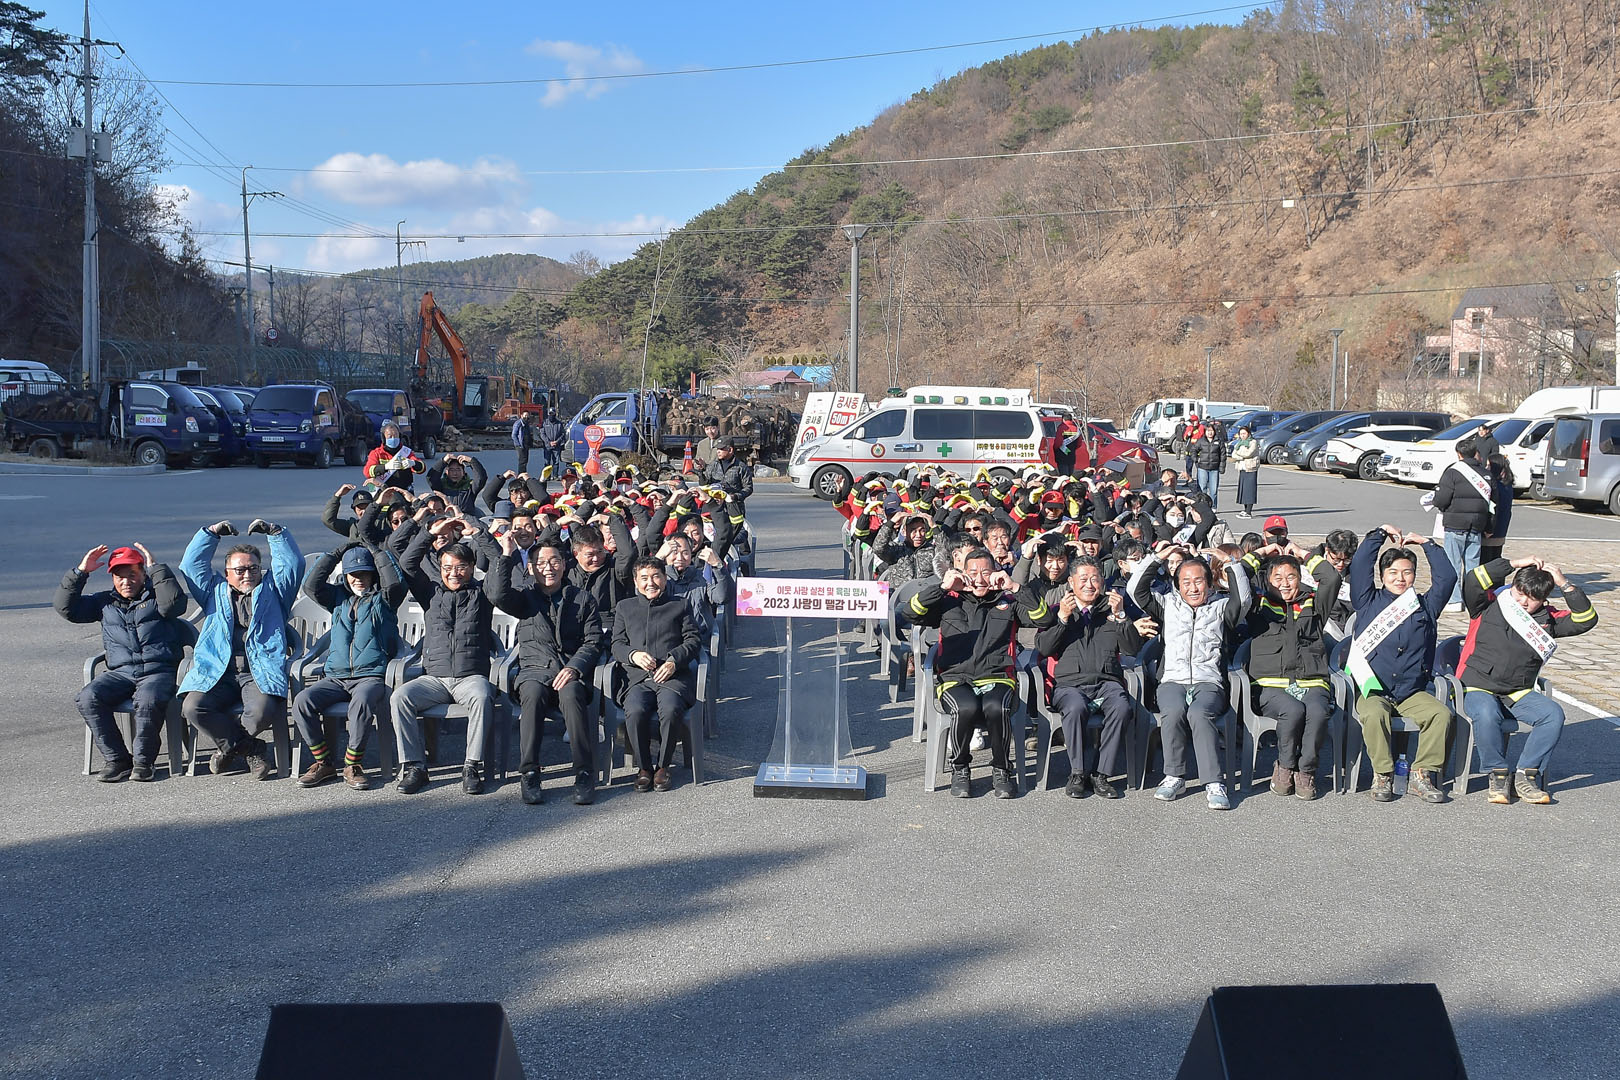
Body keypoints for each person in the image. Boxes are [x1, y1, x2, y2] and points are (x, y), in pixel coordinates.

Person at [907, 547, 1057, 799]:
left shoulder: (1007, 601)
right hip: (955, 678)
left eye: (985, 572)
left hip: (997, 676)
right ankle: (960, 768)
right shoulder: (949, 600)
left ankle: (1001, 769)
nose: (979, 579)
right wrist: (942, 588)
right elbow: (911, 613)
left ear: (995, 572)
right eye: (973, 572)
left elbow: (1044, 620)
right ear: (963, 573)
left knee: (996, 707)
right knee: (965, 707)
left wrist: (1015, 587)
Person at [1458, 556, 1596, 803]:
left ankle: (1526, 774)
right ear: (1512, 587)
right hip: (1478, 684)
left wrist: (1564, 584)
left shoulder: (1548, 618)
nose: (1523, 602)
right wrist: (1513, 564)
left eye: (1532, 599)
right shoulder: (1488, 604)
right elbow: (1474, 579)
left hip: (1518, 690)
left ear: (1543, 599)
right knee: (1487, 713)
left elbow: (1586, 619)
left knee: (1553, 714)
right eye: (1519, 594)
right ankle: (1498, 773)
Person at [178, 519, 303, 780]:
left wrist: (275, 533)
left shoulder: (275, 591)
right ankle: (252, 749)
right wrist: (210, 534)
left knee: (260, 713)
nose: (247, 574)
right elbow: (191, 566)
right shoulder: (213, 591)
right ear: (227, 573)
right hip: (217, 671)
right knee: (193, 707)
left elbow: (293, 564)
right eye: (240, 570)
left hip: (258, 671)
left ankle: (227, 748)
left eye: (253, 568)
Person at [1128, 545, 1252, 810]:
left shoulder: (1220, 608)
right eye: (1186, 582)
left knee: (1199, 713)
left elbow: (1243, 600)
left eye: (1198, 581)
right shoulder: (1167, 605)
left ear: (1209, 583)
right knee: (1173, 711)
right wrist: (1157, 558)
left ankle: (1214, 782)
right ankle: (1174, 776)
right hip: (1173, 680)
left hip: (1209, 682)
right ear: (1177, 585)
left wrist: (1230, 563)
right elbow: (1135, 590)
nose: (1193, 588)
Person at [488, 536, 606, 806]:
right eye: (541, 563)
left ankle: (584, 772)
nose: (548, 568)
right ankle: (529, 772)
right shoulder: (524, 598)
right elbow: (496, 595)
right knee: (532, 694)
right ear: (531, 568)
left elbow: (593, 641)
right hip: (534, 670)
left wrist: (575, 667)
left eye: (554, 561)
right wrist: (506, 556)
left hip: (569, 671)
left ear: (564, 564)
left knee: (572, 695)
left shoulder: (582, 599)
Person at [56, 543, 188, 782]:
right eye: (120, 577)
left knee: (147, 700)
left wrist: (156, 568)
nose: (126, 582)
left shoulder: (158, 598)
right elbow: (67, 609)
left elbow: (175, 604)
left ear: (143, 574)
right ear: (113, 579)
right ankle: (117, 760)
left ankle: (143, 762)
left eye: (132, 575)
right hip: (121, 673)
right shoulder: (103, 602)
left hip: (158, 672)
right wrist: (80, 573)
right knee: (88, 697)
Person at [1346, 524, 1457, 804]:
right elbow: (1359, 565)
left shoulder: (1426, 605)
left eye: (1407, 572)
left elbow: (1447, 577)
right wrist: (1378, 534)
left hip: (1410, 691)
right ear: (1382, 575)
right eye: (1393, 572)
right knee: (1374, 714)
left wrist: (1427, 544)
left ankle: (1422, 774)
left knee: (1440, 714)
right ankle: (1382, 774)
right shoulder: (1367, 600)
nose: (1400, 578)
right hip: (1373, 690)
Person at [391, 524, 503, 795]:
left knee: (481, 697)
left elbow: (500, 562)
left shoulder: (483, 594)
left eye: (461, 567)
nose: (454, 573)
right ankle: (415, 766)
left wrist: (478, 533)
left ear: (472, 567)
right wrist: (430, 532)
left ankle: (471, 766)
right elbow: (407, 563)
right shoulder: (429, 593)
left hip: (470, 677)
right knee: (400, 697)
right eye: (447, 567)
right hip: (435, 679)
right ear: (440, 568)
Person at [290, 541, 406, 790]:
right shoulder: (336, 598)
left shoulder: (385, 599)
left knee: (361, 702)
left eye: (364, 573)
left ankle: (353, 764)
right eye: (353, 574)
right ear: (345, 576)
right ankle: (323, 763)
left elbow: (395, 582)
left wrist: (377, 552)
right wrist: (334, 554)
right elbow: (310, 585)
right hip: (335, 677)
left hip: (370, 676)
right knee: (302, 701)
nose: (359, 579)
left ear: (373, 574)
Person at [1035, 556, 1150, 799]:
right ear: (1071, 582)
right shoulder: (1057, 610)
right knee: (1075, 707)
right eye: (1083, 579)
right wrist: (1062, 619)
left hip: (1107, 682)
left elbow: (1131, 649)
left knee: (1121, 707)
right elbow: (1043, 648)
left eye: (1095, 579)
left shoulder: (1112, 610)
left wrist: (1121, 617)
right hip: (1069, 685)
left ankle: (1101, 774)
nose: (1089, 584)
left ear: (1102, 582)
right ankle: (1077, 773)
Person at [1245, 554, 1335, 800]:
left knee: (1317, 712)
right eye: (1278, 577)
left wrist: (1304, 555)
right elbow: (1239, 578)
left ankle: (1306, 770)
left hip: (1311, 681)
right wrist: (1261, 554)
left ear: (1300, 577)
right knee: (1292, 710)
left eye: (1291, 577)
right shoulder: (1258, 604)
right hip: (1270, 684)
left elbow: (1331, 578)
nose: (1284, 583)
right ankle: (1285, 766)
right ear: (1268, 579)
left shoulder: (1313, 604)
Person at [611, 557, 704, 792]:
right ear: (635, 582)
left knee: (671, 709)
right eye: (644, 578)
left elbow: (693, 640)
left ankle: (663, 766)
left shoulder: (679, 605)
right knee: (635, 711)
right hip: (637, 679)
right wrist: (633, 655)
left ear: (664, 578)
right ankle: (644, 768)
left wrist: (673, 661)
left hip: (672, 677)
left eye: (656, 576)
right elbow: (617, 645)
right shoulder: (625, 607)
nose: (650, 583)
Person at [1431, 436, 1493, 613]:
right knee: (1473, 565)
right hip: (1477, 525)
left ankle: (1454, 600)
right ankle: (1473, 599)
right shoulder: (1486, 474)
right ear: (1475, 453)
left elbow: (1442, 499)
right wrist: (1489, 527)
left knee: (1453, 562)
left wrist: (1440, 506)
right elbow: (1493, 504)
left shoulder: (1452, 472)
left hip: (1455, 523)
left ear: (1459, 454)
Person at [362, 421, 426, 492]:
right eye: (390, 436)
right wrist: (385, 467)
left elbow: (422, 468)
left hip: (405, 492)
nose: (393, 438)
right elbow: (367, 472)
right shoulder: (376, 453)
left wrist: (413, 463)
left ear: (400, 436)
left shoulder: (406, 452)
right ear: (384, 437)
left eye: (396, 435)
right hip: (384, 492)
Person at [702, 436, 754, 508]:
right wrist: (701, 473)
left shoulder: (741, 467)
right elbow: (705, 484)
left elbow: (748, 488)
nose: (718, 451)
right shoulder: (713, 465)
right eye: (717, 449)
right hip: (715, 507)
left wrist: (735, 496)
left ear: (730, 450)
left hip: (734, 507)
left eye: (721, 449)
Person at [1192, 420, 1225, 506]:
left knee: (1213, 490)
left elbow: (1223, 455)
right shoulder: (1201, 441)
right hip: (1202, 468)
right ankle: (1204, 506)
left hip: (1214, 468)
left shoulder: (1219, 441)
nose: (1210, 433)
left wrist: (1222, 467)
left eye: (1211, 431)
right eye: (1208, 431)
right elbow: (1193, 450)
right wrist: (1196, 459)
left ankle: (1213, 506)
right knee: (1202, 488)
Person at [1230, 425, 1260, 518]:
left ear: (1249, 433)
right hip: (1242, 468)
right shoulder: (1239, 442)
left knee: (1250, 490)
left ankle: (1249, 511)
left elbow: (1248, 454)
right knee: (1243, 490)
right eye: (1241, 434)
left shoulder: (1253, 442)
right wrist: (1240, 457)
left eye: (1244, 433)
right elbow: (1233, 454)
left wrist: (1238, 453)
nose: (1242, 435)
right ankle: (1245, 509)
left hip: (1250, 468)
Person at [539, 409, 567, 475]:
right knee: (547, 462)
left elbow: (563, 434)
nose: (551, 415)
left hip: (556, 446)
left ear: (555, 414)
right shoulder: (545, 423)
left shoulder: (559, 423)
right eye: (550, 414)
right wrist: (549, 442)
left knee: (556, 462)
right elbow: (542, 434)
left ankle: (555, 475)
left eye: (552, 414)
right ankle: (547, 476)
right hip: (547, 446)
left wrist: (557, 441)